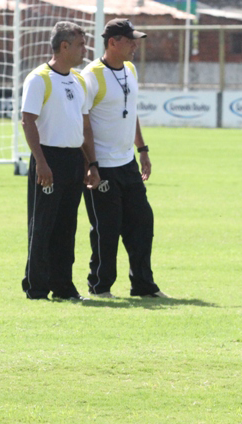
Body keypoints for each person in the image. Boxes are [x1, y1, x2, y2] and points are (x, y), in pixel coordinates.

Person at [80, 19, 168, 298]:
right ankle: (100, 286)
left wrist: (142, 150)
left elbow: (131, 111)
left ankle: (143, 285)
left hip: (127, 163)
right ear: (112, 42)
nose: (134, 45)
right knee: (106, 228)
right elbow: (83, 124)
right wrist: (91, 165)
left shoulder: (130, 69)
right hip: (101, 166)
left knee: (142, 222)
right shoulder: (91, 75)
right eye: (129, 40)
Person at [21, 21, 100, 301]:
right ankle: (37, 286)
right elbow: (27, 121)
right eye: (80, 44)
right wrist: (41, 162)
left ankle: (64, 286)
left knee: (67, 225)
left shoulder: (79, 80)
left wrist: (91, 164)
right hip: (48, 157)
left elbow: (83, 127)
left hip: (73, 159)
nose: (84, 49)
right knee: (43, 224)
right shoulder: (39, 78)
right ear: (64, 46)